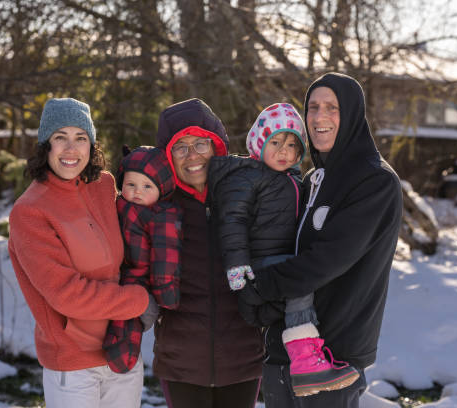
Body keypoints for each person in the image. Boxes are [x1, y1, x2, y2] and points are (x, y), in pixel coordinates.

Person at [239, 73, 403, 407]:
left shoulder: (375, 182)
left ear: (353, 114)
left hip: (333, 358)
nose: (319, 117)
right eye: (313, 107)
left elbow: (327, 260)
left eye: (332, 107)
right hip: (283, 351)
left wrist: (259, 286)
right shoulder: (312, 178)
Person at [208, 102, 359, 398]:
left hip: (279, 260)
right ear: (258, 143)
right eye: (275, 142)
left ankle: (310, 355)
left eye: (292, 145)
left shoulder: (292, 180)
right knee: (300, 280)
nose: (283, 151)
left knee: (305, 283)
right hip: (259, 264)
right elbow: (232, 222)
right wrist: (238, 267)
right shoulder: (247, 176)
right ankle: (305, 360)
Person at [8, 98, 149, 408]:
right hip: (73, 365)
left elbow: (137, 241)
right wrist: (138, 301)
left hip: (123, 349)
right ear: (46, 145)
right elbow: (66, 294)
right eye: (61, 137)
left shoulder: (105, 187)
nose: (71, 148)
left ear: (91, 144)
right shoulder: (30, 211)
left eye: (80, 138)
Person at [153, 98, 264, 408]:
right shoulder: (159, 208)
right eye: (180, 147)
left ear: (217, 146)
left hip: (242, 357)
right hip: (181, 362)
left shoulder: (245, 197)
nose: (192, 156)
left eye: (200, 144)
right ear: (168, 157)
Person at [102, 145, 182, 373]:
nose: (137, 191)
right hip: (111, 274)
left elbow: (166, 257)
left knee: (127, 318)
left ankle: (123, 354)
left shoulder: (162, 216)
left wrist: (167, 294)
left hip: (138, 278)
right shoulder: (115, 205)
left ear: (163, 189)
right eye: (131, 185)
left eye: (147, 186)